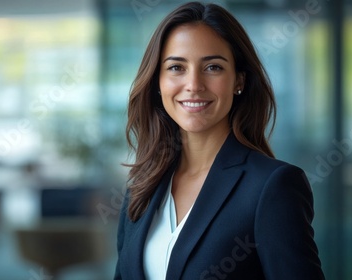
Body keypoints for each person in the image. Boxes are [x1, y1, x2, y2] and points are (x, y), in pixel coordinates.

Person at [115, 2, 325, 279]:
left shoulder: (272, 186)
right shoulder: (142, 188)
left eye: (213, 67)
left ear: (238, 80)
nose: (193, 84)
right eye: (177, 67)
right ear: (158, 81)